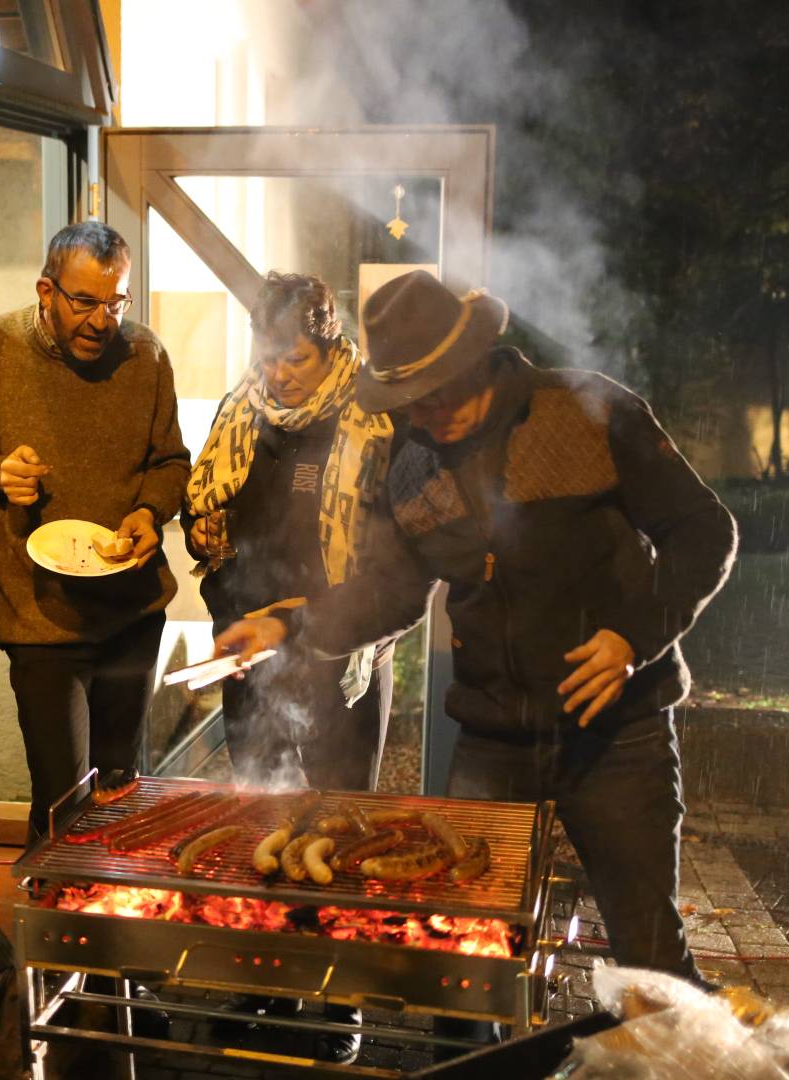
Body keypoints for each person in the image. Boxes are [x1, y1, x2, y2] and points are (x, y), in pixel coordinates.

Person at [216, 271, 737, 1039]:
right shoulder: (413, 458)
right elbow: (391, 589)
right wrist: (289, 624)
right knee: (461, 964)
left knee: (652, 958)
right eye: (409, 400)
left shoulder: (589, 410)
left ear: (482, 357)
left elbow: (705, 531)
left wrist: (633, 634)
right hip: (495, 740)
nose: (427, 414)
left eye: (438, 391)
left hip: (616, 731)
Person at [0, 221, 190, 838]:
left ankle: (110, 923)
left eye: (116, 301)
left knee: (120, 787)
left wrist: (151, 512)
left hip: (131, 608)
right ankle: (51, 924)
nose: (103, 321)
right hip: (40, 614)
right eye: (85, 302)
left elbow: (172, 461)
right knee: (61, 797)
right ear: (46, 290)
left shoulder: (146, 355)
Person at [183, 272, 395, 791]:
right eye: (268, 357)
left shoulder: (376, 420)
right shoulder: (240, 411)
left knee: (340, 822)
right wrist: (200, 531)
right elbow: (202, 505)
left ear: (329, 347)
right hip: (249, 648)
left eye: (295, 359)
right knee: (259, 816)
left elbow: (399, 559)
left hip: (334, 649)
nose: (278, 375)